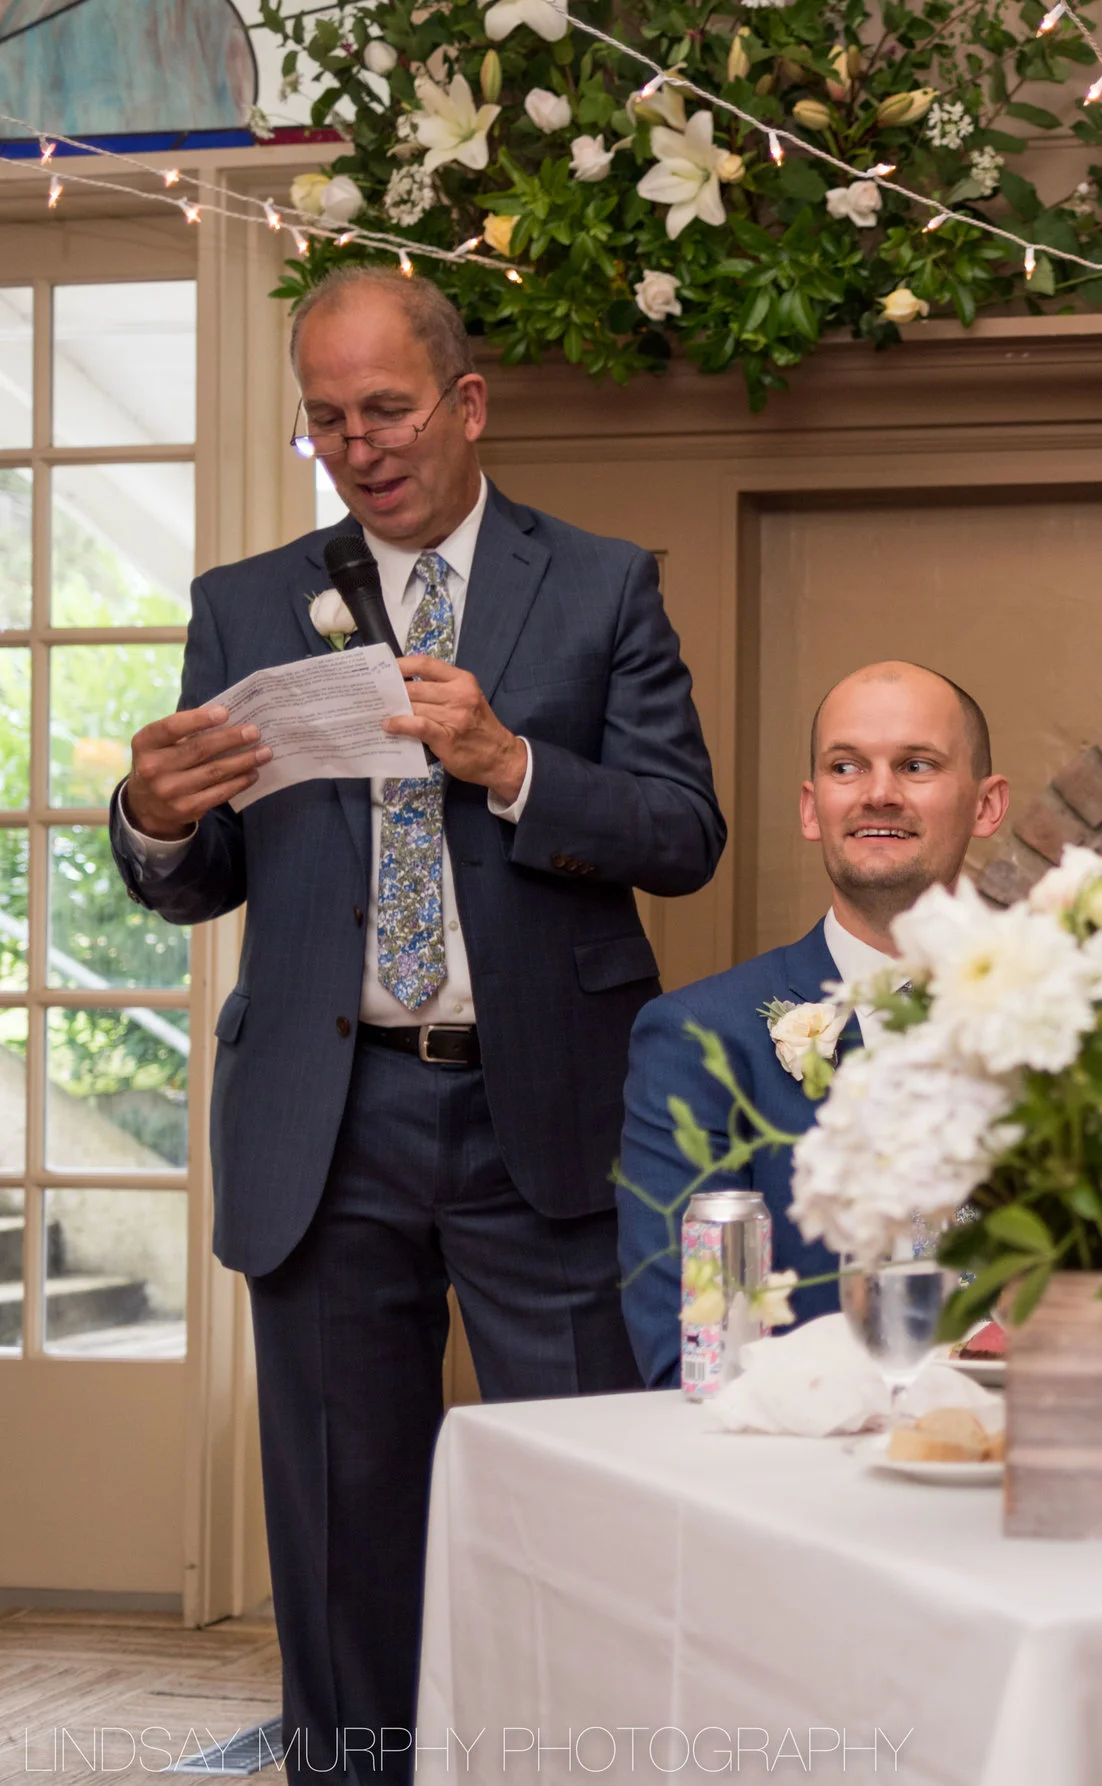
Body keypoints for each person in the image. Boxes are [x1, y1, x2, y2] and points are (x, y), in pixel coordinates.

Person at [111, 269, 723, 1783]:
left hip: (546, 1114)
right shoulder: (243, 603)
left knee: (584, 1507)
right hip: (328, 1123)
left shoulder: (599, 584)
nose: (358, 446)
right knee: (342, 1529)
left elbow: (684, 831)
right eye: (326, 420)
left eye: (385, 409)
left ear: (467, 402)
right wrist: (153, 817)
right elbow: (201, 871)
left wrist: (514, 764)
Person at [615, 661, 1010, 1386]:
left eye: (917, 765)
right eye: (845, 767)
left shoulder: (1067, 1024)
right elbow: (689, 1354)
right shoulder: (700, 1039)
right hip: (814, 1442)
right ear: (810, 807)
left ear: (987, 805)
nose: (878, 793)